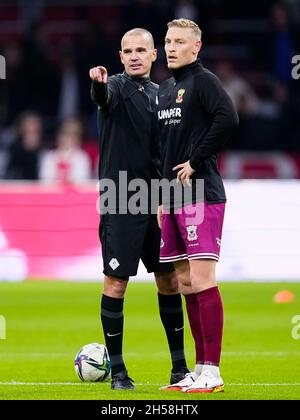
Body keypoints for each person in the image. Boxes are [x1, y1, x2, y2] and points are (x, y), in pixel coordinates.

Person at [89, 28, 188, 391]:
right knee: (116, 283)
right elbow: (100, 95)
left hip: (157, 199)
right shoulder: (114, 88)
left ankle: (179, 370)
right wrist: (97, 82)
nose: (133, 55)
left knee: (170, 281)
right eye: (127, 51)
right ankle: (118, 373)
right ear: (120, 57)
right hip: (120, 199)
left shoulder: (164, 96)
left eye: (140, 50)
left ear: (153, 55)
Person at [157, 19, 238, 393]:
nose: (171, 48)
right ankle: (198, 369)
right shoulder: (170, 88)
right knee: (186, 283)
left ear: (197, 46)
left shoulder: (204, 82)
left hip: (201, 193)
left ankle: (213, 371)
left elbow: (228, 118)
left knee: (203, 280)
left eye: (179, 42)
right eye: (168, 41)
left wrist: (196, 159)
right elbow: (166, 149)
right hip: (172, 198)